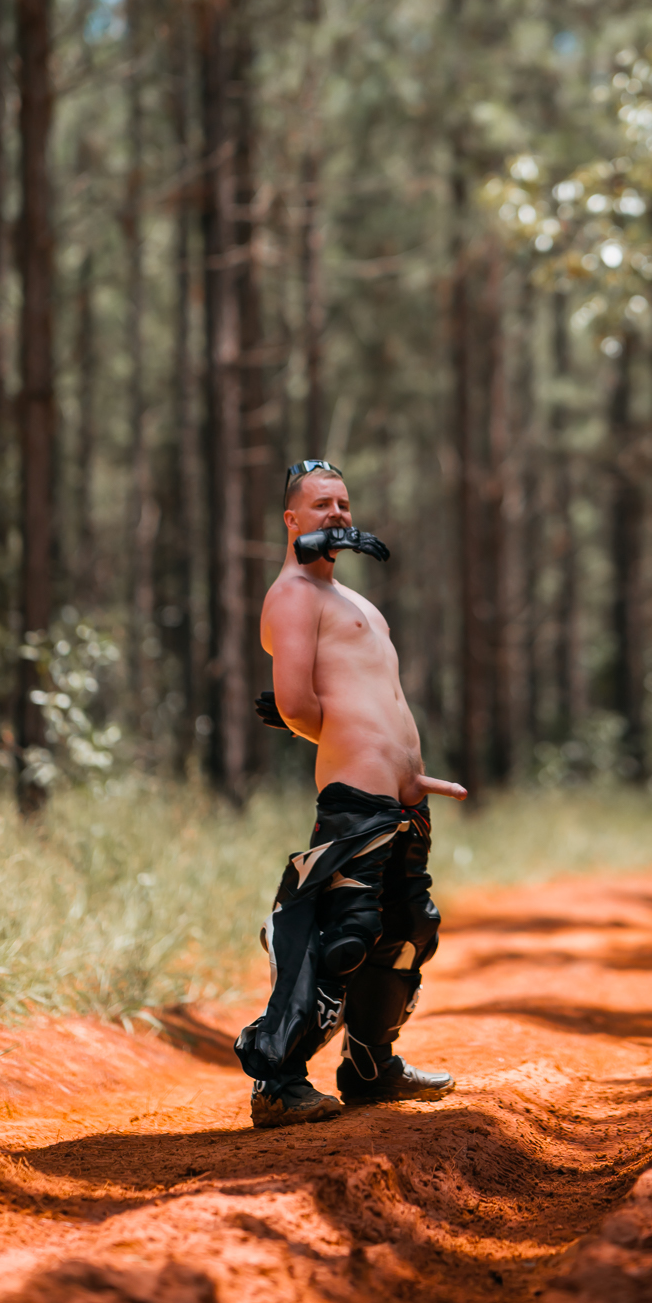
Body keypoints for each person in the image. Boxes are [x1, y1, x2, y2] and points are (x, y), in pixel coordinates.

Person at [234, 459, 467, 1129]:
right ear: (292, 519)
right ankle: (278, 1082)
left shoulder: (358, 603)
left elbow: (371, 700)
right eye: (321, 505)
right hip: (356, 798)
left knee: (407, 930)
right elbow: (297, 705)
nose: (336, 514)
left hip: (406, 802)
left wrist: (405, 769)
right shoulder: (293, 595)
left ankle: (371, 1067)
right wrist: (359, 751)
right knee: (346, 936)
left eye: (343, 504)